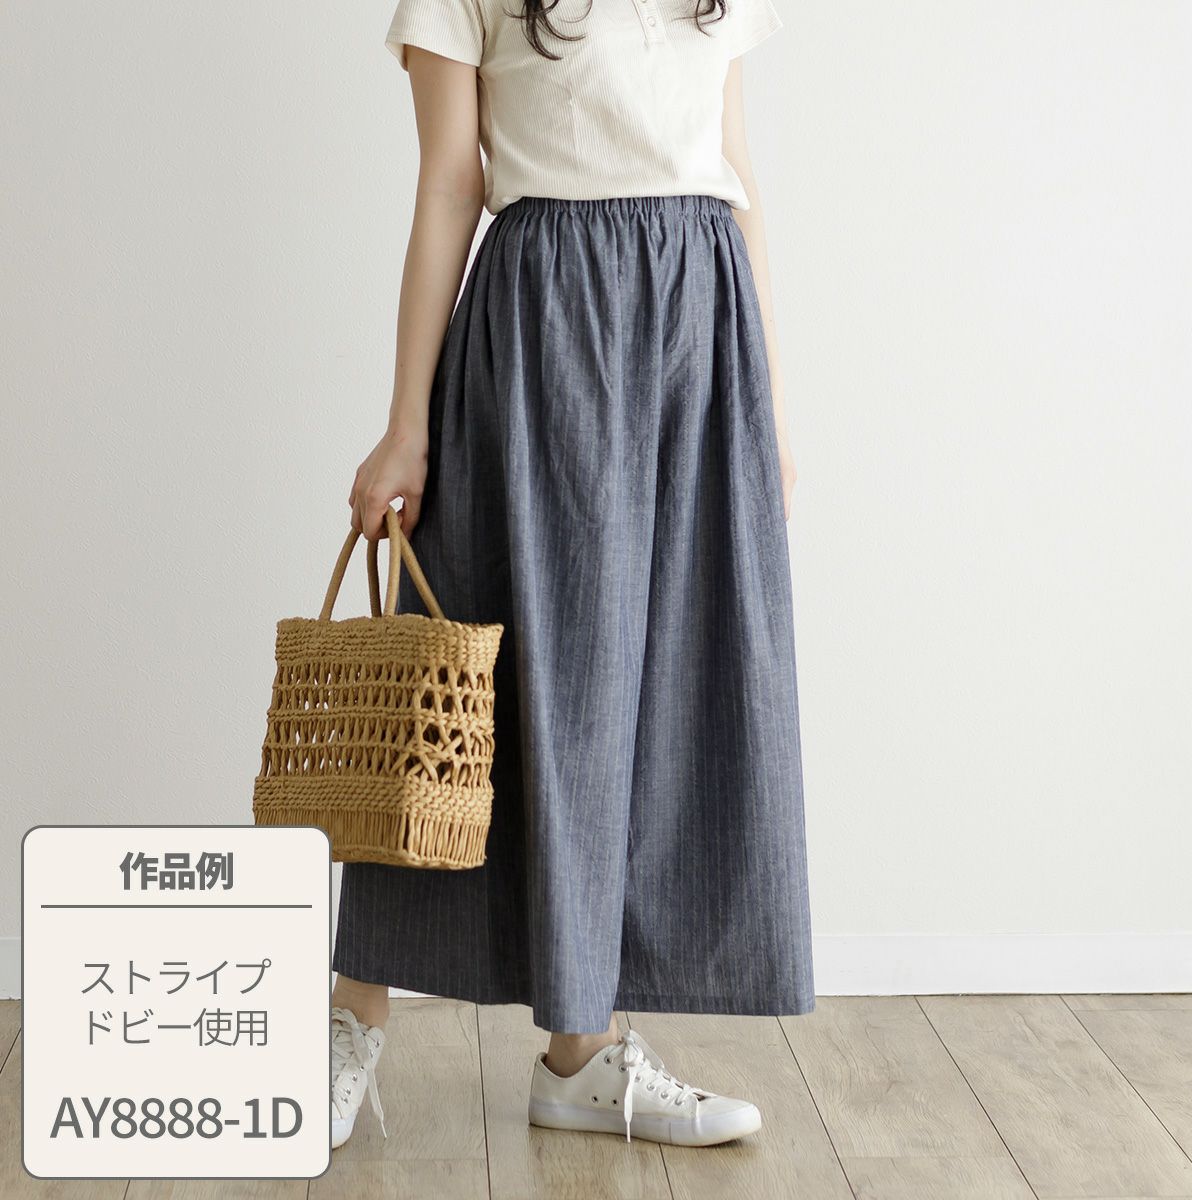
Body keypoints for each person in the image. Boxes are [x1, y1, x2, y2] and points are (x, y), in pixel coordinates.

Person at [329, 0, 815, 1150]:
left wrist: (772, 414)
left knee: (668, 683)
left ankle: (579, 1054)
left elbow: (736, 173)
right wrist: (407, 425)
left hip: (700, 326)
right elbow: (450, 185)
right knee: (472, 686)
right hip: (548, 320)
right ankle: (351, 1018)